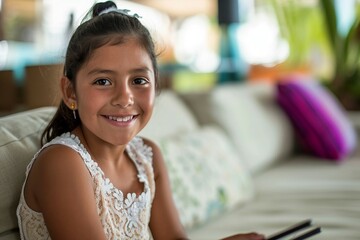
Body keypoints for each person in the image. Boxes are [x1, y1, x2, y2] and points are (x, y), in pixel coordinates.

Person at [16, 1, 265, 240]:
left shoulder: (147, 157)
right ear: (71, 93)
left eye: (138, 80)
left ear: (156, 86)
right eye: (103, 81)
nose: (124, 98)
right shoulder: (62, 163)